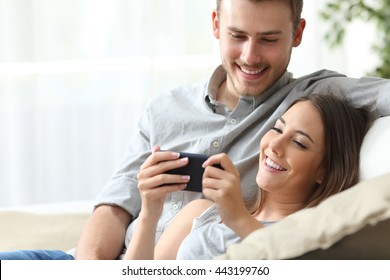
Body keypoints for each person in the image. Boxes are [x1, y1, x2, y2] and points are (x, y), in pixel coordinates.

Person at [0, 0, 389, 260]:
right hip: (85, 261)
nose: (250, 56)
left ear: (298, 33)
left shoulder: (312, 99)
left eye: (269, 40)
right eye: (237, 36)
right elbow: (115, 206)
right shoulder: (166, 108)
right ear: (216, 24)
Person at [123, 94, 373, 260]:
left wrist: (239, 219)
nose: (275, 144)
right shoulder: (201, 213)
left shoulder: (311, 241)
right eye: (277, 128)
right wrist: (150, 212)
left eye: (298, 143)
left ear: (324, 171)